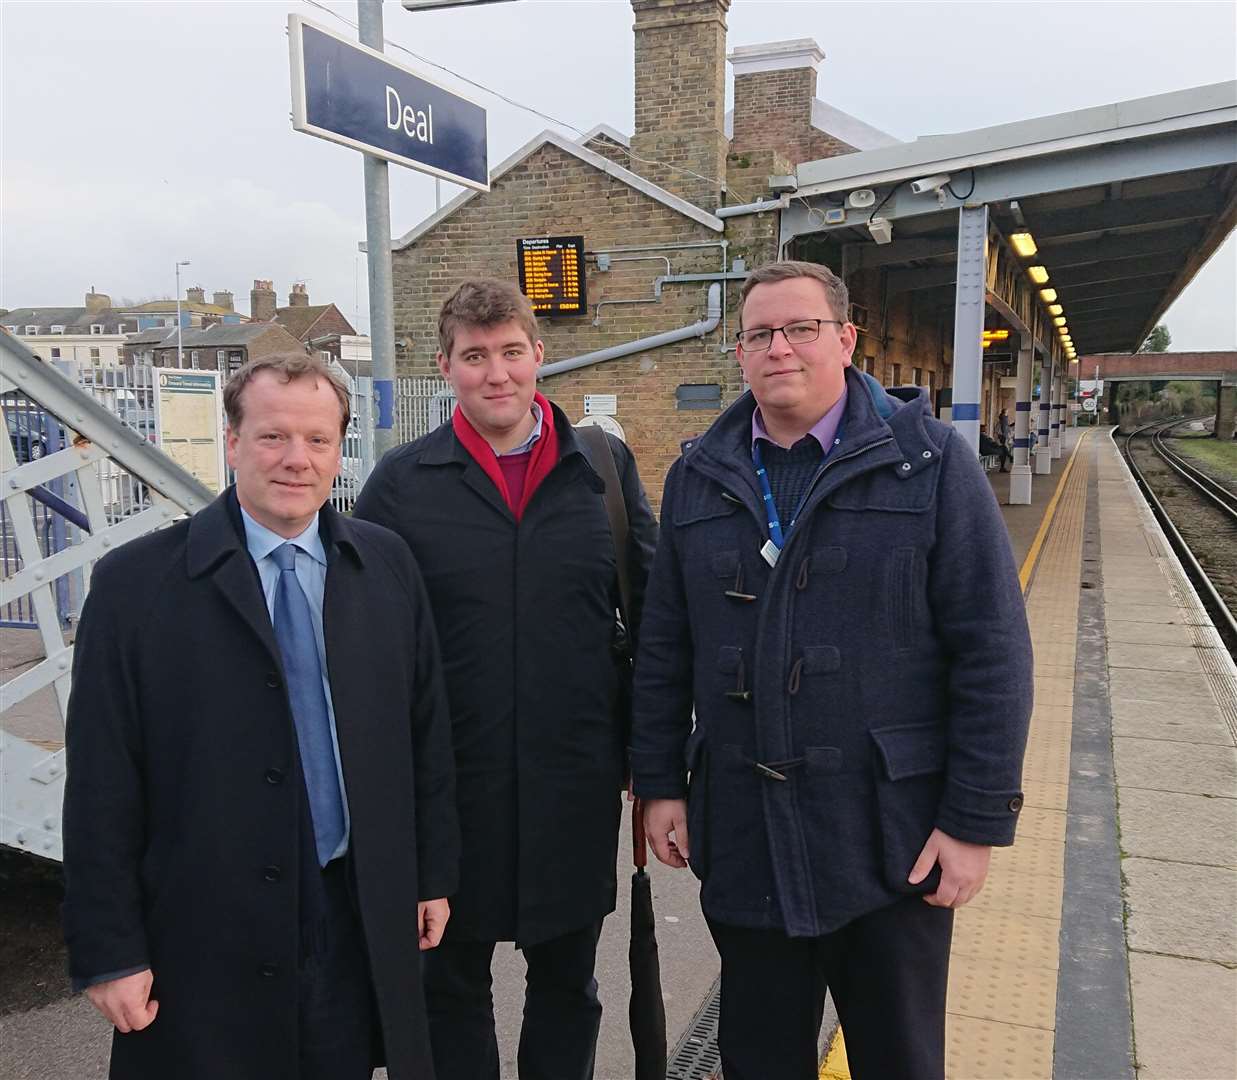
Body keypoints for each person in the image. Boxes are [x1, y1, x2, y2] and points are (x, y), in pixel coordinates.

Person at [630, 261, 1032, 1080]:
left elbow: (991, 649)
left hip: (892, 838)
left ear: (844, 341)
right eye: (758, 334)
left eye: (800, 328)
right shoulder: (696, 477)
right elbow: (665, 643)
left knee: (897, 1058)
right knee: (759, 1055)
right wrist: (660, 782)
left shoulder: (930, 465)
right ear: (739, 353)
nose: (779, 348)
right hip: (743, 828)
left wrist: (973, 822)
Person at [62, 352, 460, 1080]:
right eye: (273, 437)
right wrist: (109, 951)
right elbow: (100, 783)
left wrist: (428, 874)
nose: (296, 460)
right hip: (203, 929)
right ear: (232, 443)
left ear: (341, 450)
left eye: (317, 440)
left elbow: (423, 735)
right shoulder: (135, 588)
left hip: (350, 908)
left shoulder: (385, 566)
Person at [353, 278, 658, 1080]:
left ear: (539, 357)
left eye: (511, 353)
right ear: (446, 366)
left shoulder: (601, 467)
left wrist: (653, 763)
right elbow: (365, 643)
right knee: (449, 985)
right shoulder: (400, 483)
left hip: (574, 780)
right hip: (450, 787)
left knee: (569, 982)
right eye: (475, 356)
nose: (497, 373)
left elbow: (652, 612)